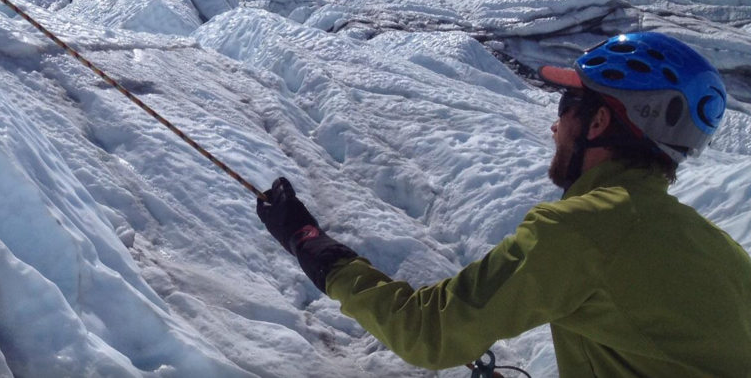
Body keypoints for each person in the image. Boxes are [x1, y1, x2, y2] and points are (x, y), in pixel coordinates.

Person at [257, 31, 751, 377]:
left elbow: (430, 332)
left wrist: (314, 247)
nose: (555, 127)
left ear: (599, 123)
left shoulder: (586, 227)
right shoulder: (718, 248)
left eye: (565, 108)